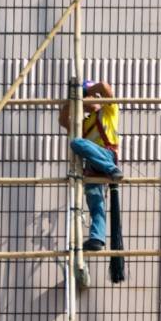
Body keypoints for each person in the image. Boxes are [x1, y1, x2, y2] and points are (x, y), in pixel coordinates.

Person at [58, 79, 123, 251]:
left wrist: (86, 92)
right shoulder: (85, 123)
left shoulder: (108, 110)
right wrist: (71, 102)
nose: (84, 104)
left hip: (107, 156)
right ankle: (97, 238)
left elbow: (104, 86)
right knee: (95, 203)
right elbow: (64, 121)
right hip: (94, 166)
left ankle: (112, 170)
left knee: (78, 143)